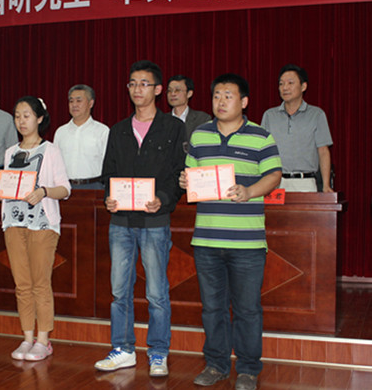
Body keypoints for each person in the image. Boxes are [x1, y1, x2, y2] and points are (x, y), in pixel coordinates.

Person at [180, 73, 282, 390]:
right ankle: (216, 365)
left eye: (228, 95)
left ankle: (248, 369)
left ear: (244, 101)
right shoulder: (199, 136)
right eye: (216, 95)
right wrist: (185, 180)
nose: (221, 101)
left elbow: (274, 175)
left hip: (247, 243)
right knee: (212, 309)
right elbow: (191, 173)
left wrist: (249, 191)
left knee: (247, 309)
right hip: (207, 240)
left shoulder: (261, 137)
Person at [95, 60, 186, 377]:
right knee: (119, 291)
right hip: (120, 222)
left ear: (158, 89)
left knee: (156, 293)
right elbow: (108, 173)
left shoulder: (173, 128)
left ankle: (158, 352)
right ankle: (123, 349)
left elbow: (178, 174)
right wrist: (109, 196)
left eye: (144, 83)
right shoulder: (118, 130)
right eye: (132, 83)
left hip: (154, 222)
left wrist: (163, 198)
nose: (137, 89)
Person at [0, 96, 71, 362]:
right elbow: (8, 185)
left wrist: (44, 191)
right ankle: (27, 338)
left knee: (40, 283)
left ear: (39, 119)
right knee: (22, 284)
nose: (21, 121)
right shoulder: (10, 152)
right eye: (17, 116)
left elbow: (65, 189)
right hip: (13, 223)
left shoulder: (51, 150)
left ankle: (43, 340)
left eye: (26, 116)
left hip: (42, 223)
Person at [261, 64, 334, 192]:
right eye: (281, 84)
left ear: (303, 86)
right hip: (276, 183)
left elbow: (323, 151)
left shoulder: (316, 115)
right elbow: (262, 150)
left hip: (305, 182)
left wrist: (326, 185)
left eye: (290, 83)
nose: (285, 88)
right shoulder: (269, 115)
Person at [53, 84, 109, 189]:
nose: (74, 105)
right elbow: (54, 163)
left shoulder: (102, 131)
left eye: (79, 101)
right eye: (71, 101)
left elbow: (109, 164)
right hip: (64, 187)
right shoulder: (61, 132)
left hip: (94, 186)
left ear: (91, 103)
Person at [166, 74, 211, 141]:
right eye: (169, 90)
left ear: (189, 93)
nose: (172, 94)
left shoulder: (202, 119)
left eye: (177, 90)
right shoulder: (161, 120)